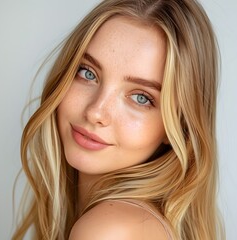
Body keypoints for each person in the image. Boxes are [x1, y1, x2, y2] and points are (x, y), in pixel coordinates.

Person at [12, 0, 224, 239]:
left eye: (141, 98)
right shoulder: (142, 223)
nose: (96, 112)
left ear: (178, 126)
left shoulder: (108, 230)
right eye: (88, 73)